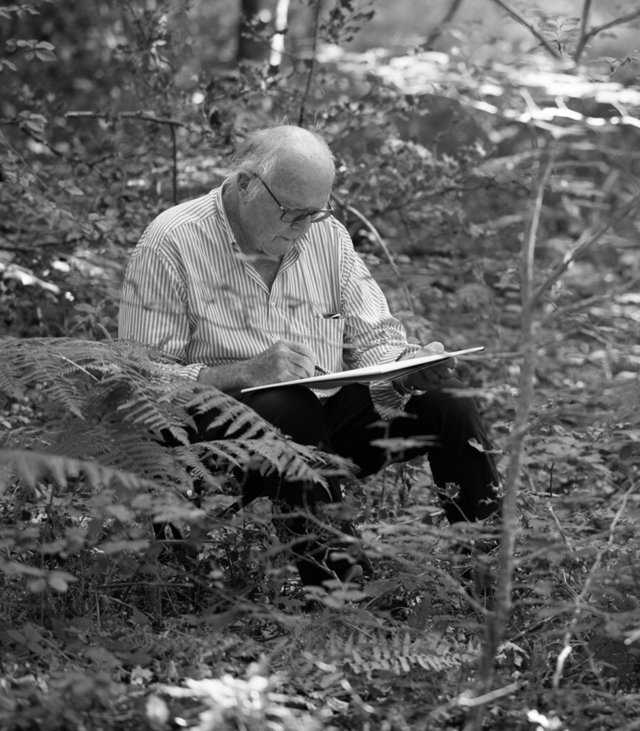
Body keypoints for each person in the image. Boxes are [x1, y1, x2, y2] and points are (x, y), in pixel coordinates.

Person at [119, 125, 501, 589]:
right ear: (245, 185)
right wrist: (247, 372)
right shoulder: (172, 242)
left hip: (323, 422)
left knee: (450, 401)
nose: (302, 229)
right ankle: (344, 591)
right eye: (291, 213)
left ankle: (491, 581)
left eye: (314, 214)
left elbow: (376, 333)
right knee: (289, 406)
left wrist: (408, 368)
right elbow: (143, 381)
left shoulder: (327, 236)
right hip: (220, 441)